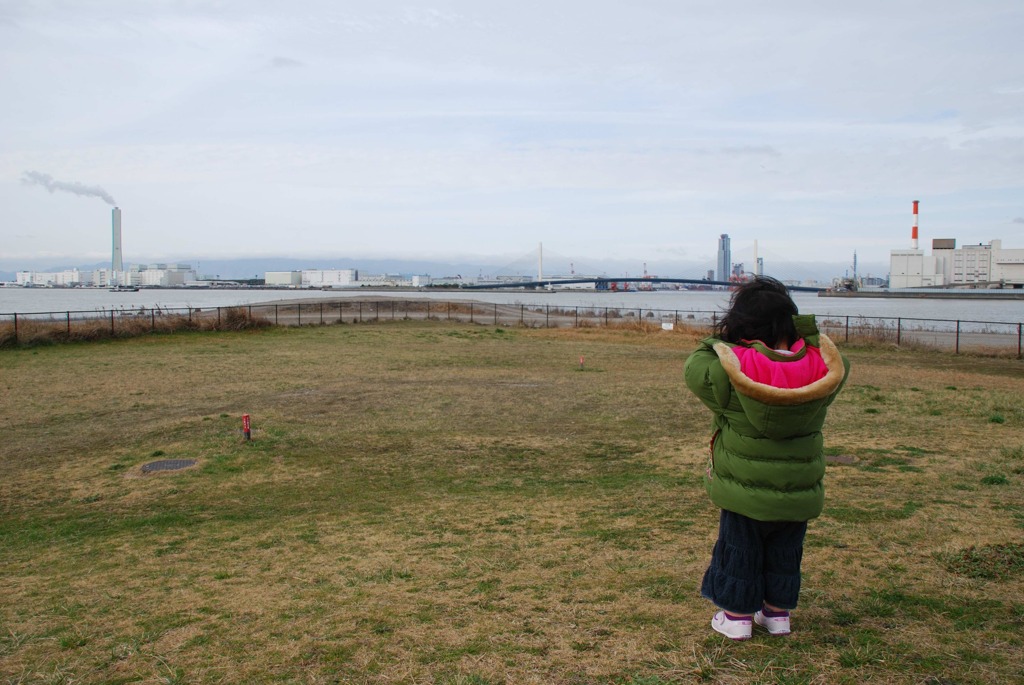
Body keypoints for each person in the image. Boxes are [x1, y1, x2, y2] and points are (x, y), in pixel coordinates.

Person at [683, 276, 849, 640]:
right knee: (786, 550)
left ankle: (737, 616)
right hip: (798, 486)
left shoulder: (731, 367)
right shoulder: (823, 368)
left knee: (739, 547)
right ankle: (777, 614)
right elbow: (839, 361)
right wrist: (803, 331)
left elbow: (695, 366)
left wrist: (723, 339)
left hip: (743, 487)